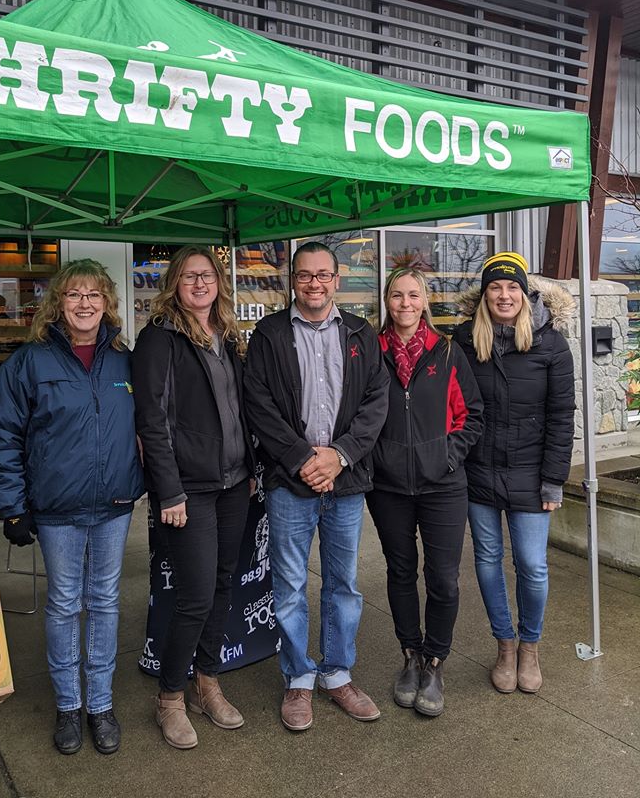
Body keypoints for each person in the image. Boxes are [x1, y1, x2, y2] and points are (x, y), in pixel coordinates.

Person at [0, 259, 144, 756]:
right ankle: (70, 705)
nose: (85, 303)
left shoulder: (123, 359)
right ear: (58, 303)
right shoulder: (30, 362)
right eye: (74, 294)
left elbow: (147, 427)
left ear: (107, 302)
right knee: (66, 604)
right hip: (56, 510)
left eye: (94, 294)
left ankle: (101, 704)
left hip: (113, 505)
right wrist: (11, 506)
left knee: (106, 602)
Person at [244, 241, 389, 732]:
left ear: (337, 279)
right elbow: (258, 404)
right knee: (288, 587)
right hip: (291, 481)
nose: (314, 283)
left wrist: (340, 455)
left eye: (323, 275)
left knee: (343, 584)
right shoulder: (268, 334)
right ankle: (298, 679)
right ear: (292, 279)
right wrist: (304, 458)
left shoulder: (360, 333)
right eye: (305, 275)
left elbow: (376, 401)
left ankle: (337, 672)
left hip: (346, 481)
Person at [132, 245, 253, 751]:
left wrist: (250, 468)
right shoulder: (159, 338)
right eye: (188, 277)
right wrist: (169, 490)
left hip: (234, 483)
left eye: (206, 275)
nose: (199, 284)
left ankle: (208, 682)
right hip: (190, 490)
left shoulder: (226, 336)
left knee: (223, 584)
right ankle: (170, 699)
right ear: (175, 285)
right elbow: (152, 423)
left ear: (219, 282)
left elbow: (237, 407)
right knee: (195, 597)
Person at [454, 252, 575, 694]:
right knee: (487, 560)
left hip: (531, 473)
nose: (504, 295)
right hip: (478, 473)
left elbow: (562, 416)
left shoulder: (551, 343)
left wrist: (554, 479)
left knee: (532, 566)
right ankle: (504, 645)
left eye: (512, 288)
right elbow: (455, 407)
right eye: (494, 288)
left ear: (525, 295)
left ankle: (530, 647)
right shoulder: (466, 341)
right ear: (484, 296)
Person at [367, 267, 483, 717]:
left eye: (413, 295)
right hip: (388, 486)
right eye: (397, 295)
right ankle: (409, 656)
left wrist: (446, 458)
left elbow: (472, 415)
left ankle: (435, 661)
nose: (405, 304)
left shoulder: (448, 353)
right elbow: (357, 413)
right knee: (400, 572)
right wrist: (376, 459)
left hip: (443, 486)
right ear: (386, 300)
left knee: (443, 578)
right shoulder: (370, 352)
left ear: (425, 301)